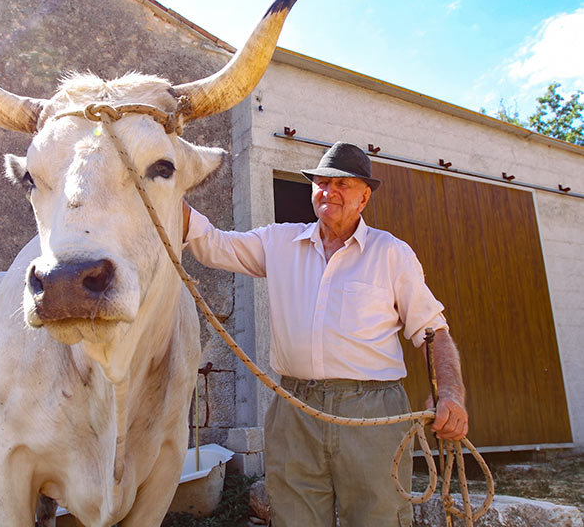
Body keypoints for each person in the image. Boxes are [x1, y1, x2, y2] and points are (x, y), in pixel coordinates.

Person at [182, 142, 468, 527]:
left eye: (342, 184)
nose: (328, 191)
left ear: (364, 197)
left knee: (378, 517)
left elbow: (433, 331)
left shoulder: (391, 253)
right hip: (294, 408)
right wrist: (162, 194)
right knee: (293, 517)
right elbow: (213, 244)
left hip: (372, 411)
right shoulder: (280, 242)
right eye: (321, 183)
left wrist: (450, 393)